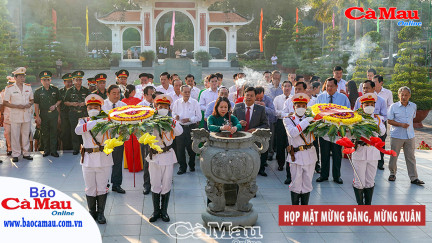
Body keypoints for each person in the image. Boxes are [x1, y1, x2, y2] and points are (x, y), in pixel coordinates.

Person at [75, 94, 112, 224]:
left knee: (102, 187)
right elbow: (78, 131)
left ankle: (101, 213)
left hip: (104, 158)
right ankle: (92, 212)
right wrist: (95, 122)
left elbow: (116, 134)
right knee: (90, 187)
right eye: (90, 107)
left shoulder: (107, 121)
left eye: (96, 107)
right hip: (88, 159)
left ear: (100, 108)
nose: (93, 109)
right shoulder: (83, 121)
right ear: (87, 109)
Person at [148, 94, 183, 222]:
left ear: (169, 109)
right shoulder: (150, 121)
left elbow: (180, 132)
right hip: (154, 155)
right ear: (156, 107)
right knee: (155, 183)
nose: (162, 108)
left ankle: (164, 211)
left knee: (167, 183)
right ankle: (156, 211)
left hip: (167, 156)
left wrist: (170, 121)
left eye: (165, 107)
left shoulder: (171, 120)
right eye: (160, 106)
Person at [351, 93, 386, 205]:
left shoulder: (378, 119)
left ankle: (368, 206)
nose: (369, 106)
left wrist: (372, 124)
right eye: (367, 104)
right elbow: (349, 135)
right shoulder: (356, 119)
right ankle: (360, 206)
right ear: (362, 106)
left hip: (373, 153)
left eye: (371, 104)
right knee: (359, 182)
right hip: (359, 151)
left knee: (370, 181)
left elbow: (382, 132)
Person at [315, 78, 350, 184]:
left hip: (337, 132)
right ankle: (324, 175)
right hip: (324, 131)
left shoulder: (343, 98)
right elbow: (315, 113)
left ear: (336, 87)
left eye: (331, 86)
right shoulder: (320, 97)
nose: (329, 88)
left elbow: (349, 113)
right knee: (324, 153)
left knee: (337, 154)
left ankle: (337, 176)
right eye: (327, 86)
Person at [284, 93, 317, 205]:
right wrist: (306, 121)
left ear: (306, 107)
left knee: (307, 183)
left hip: (310, 154)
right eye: (298, 106)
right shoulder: (288, 119)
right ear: (294, 107)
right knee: (296, 184)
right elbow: (293, 133)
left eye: (303, 106)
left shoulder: (312, 120)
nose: (301, 108)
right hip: (296, 155)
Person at [387, 86, 424, 185]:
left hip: (409, 136)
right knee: (394, 156)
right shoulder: (393, 106)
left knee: (411, 157)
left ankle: (414, 178)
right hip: (397, 135)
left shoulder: (413, 106)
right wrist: (401, 125)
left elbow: (413, 117)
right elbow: (389, 120)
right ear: (398, 95)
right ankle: (392, 173)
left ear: (409, 96)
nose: (404, 97)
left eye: (406, 95)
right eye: (402, 95)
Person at [233, 87, 269, 176]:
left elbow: (265, 124)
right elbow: (231, 123)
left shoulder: (260, 109)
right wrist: (238, 123)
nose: (249, 97)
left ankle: (261, 169)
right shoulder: (238, 107)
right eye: (247, 95)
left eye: (251, 96)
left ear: (255, 97)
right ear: (244, 96)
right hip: (241, 136)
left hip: (254, 137)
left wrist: (256, 129)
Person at [4, 67, 34, 162]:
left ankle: (26, 153)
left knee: (26, 134)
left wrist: (29, 104)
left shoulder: (28, 87)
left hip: (26, 115)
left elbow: (32, 100)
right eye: (20, 76)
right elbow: (5, 102)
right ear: (15, 78)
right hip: (15, 115)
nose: (22, 78)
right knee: (15, 135)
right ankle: (15, 154)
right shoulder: (10, 88)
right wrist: (16, 106)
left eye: (23, 76)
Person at [102, 85, 128, 193]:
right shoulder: (102, 105)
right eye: (114, 93)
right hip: (105, 139)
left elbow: (128, 121)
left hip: (118, 138)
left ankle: (116, 185)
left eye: (118, 93)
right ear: (108, 94)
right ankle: (104, 184)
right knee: (105, 162)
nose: (116, 96)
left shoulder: (123, 105)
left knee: (117, 162)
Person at [172, 85, 202, 174]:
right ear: (181, 92)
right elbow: (173, 113)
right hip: (180, 127)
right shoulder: (177, 102)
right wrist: (175, 116)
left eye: (189, 92)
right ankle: (182, 167)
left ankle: (191, 165)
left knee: (191, 148)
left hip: (191, 127)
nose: (187, 94)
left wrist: (189, 119)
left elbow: (199, 117)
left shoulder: (195, 102)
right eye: (185, 92)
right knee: (180, 149)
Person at [34, 71, 61, 157]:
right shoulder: (38, 91)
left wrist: (55, 105)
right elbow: (36, 104)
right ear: (41, 81)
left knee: (53, 132)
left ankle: (53, 151)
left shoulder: (55, 89)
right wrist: (37, 116)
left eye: (48, 80)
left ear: (50, 80)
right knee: (44, 133)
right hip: (44, 115)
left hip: (53, 114)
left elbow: (59, 100)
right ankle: (46, 150)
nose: (46, 82)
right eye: (44, 80)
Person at [64, 71, 90, 155]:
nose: (78, 82)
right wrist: (72, 104)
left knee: (84, 131)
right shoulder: (69, 91)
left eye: (80, 80)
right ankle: (76, 148)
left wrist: (85, 103)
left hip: (83, 113)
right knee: (74, 131)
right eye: (77, 80)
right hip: (73, 114)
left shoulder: (86, 90)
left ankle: (85, 147)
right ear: (73, 80)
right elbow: (65, 102)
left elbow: (90, 101)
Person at [122, 84, 144, 174]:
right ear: (133, 91)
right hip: (136, 127)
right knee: (137, 146)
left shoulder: (122, 101)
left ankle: (129, 165)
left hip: (125, 127)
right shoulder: (138, 101)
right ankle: (138, 166)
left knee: (127, 146)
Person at [273, 81, 292, 178]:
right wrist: (285, 114)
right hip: (281, 123)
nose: (287, 88)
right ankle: (280, 164)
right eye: (285, 86)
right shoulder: (277, 98)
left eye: (289, 86)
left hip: (292, 123)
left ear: (291, 88)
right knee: (280, 144)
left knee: (290, 143)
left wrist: (289, 115)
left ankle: (290, 163)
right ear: (282, 87)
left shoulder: (293, 99)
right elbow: (275, 111)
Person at [255, 86, 276, 162]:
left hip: (267, 124)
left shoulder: (268, 99)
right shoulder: (252, 99)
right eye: (257, 98)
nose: (259, 99)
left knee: (266, 143)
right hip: (255, 125)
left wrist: (263, 107)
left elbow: (273, 112)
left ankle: (265, 161)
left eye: (261, 97)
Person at [1, 76, 16, 156]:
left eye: (12, 84)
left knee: (17, 134)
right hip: (7, 117)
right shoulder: (3, 93)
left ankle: (16, 149)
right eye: (9, 84)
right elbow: (2, 105)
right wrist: (2, 115)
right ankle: (9, 149)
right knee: (7, 133)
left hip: (17, 117)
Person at [59, 73, 73, 151]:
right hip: (64, 115)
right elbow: (58, 105)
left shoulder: (75, 90)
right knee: (65, 132)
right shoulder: (60, 91)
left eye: (71, 81)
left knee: (74, 132)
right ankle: (66, 150)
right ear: (64, 82)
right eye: (68, 82)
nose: (70, 83)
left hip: (74, 114)